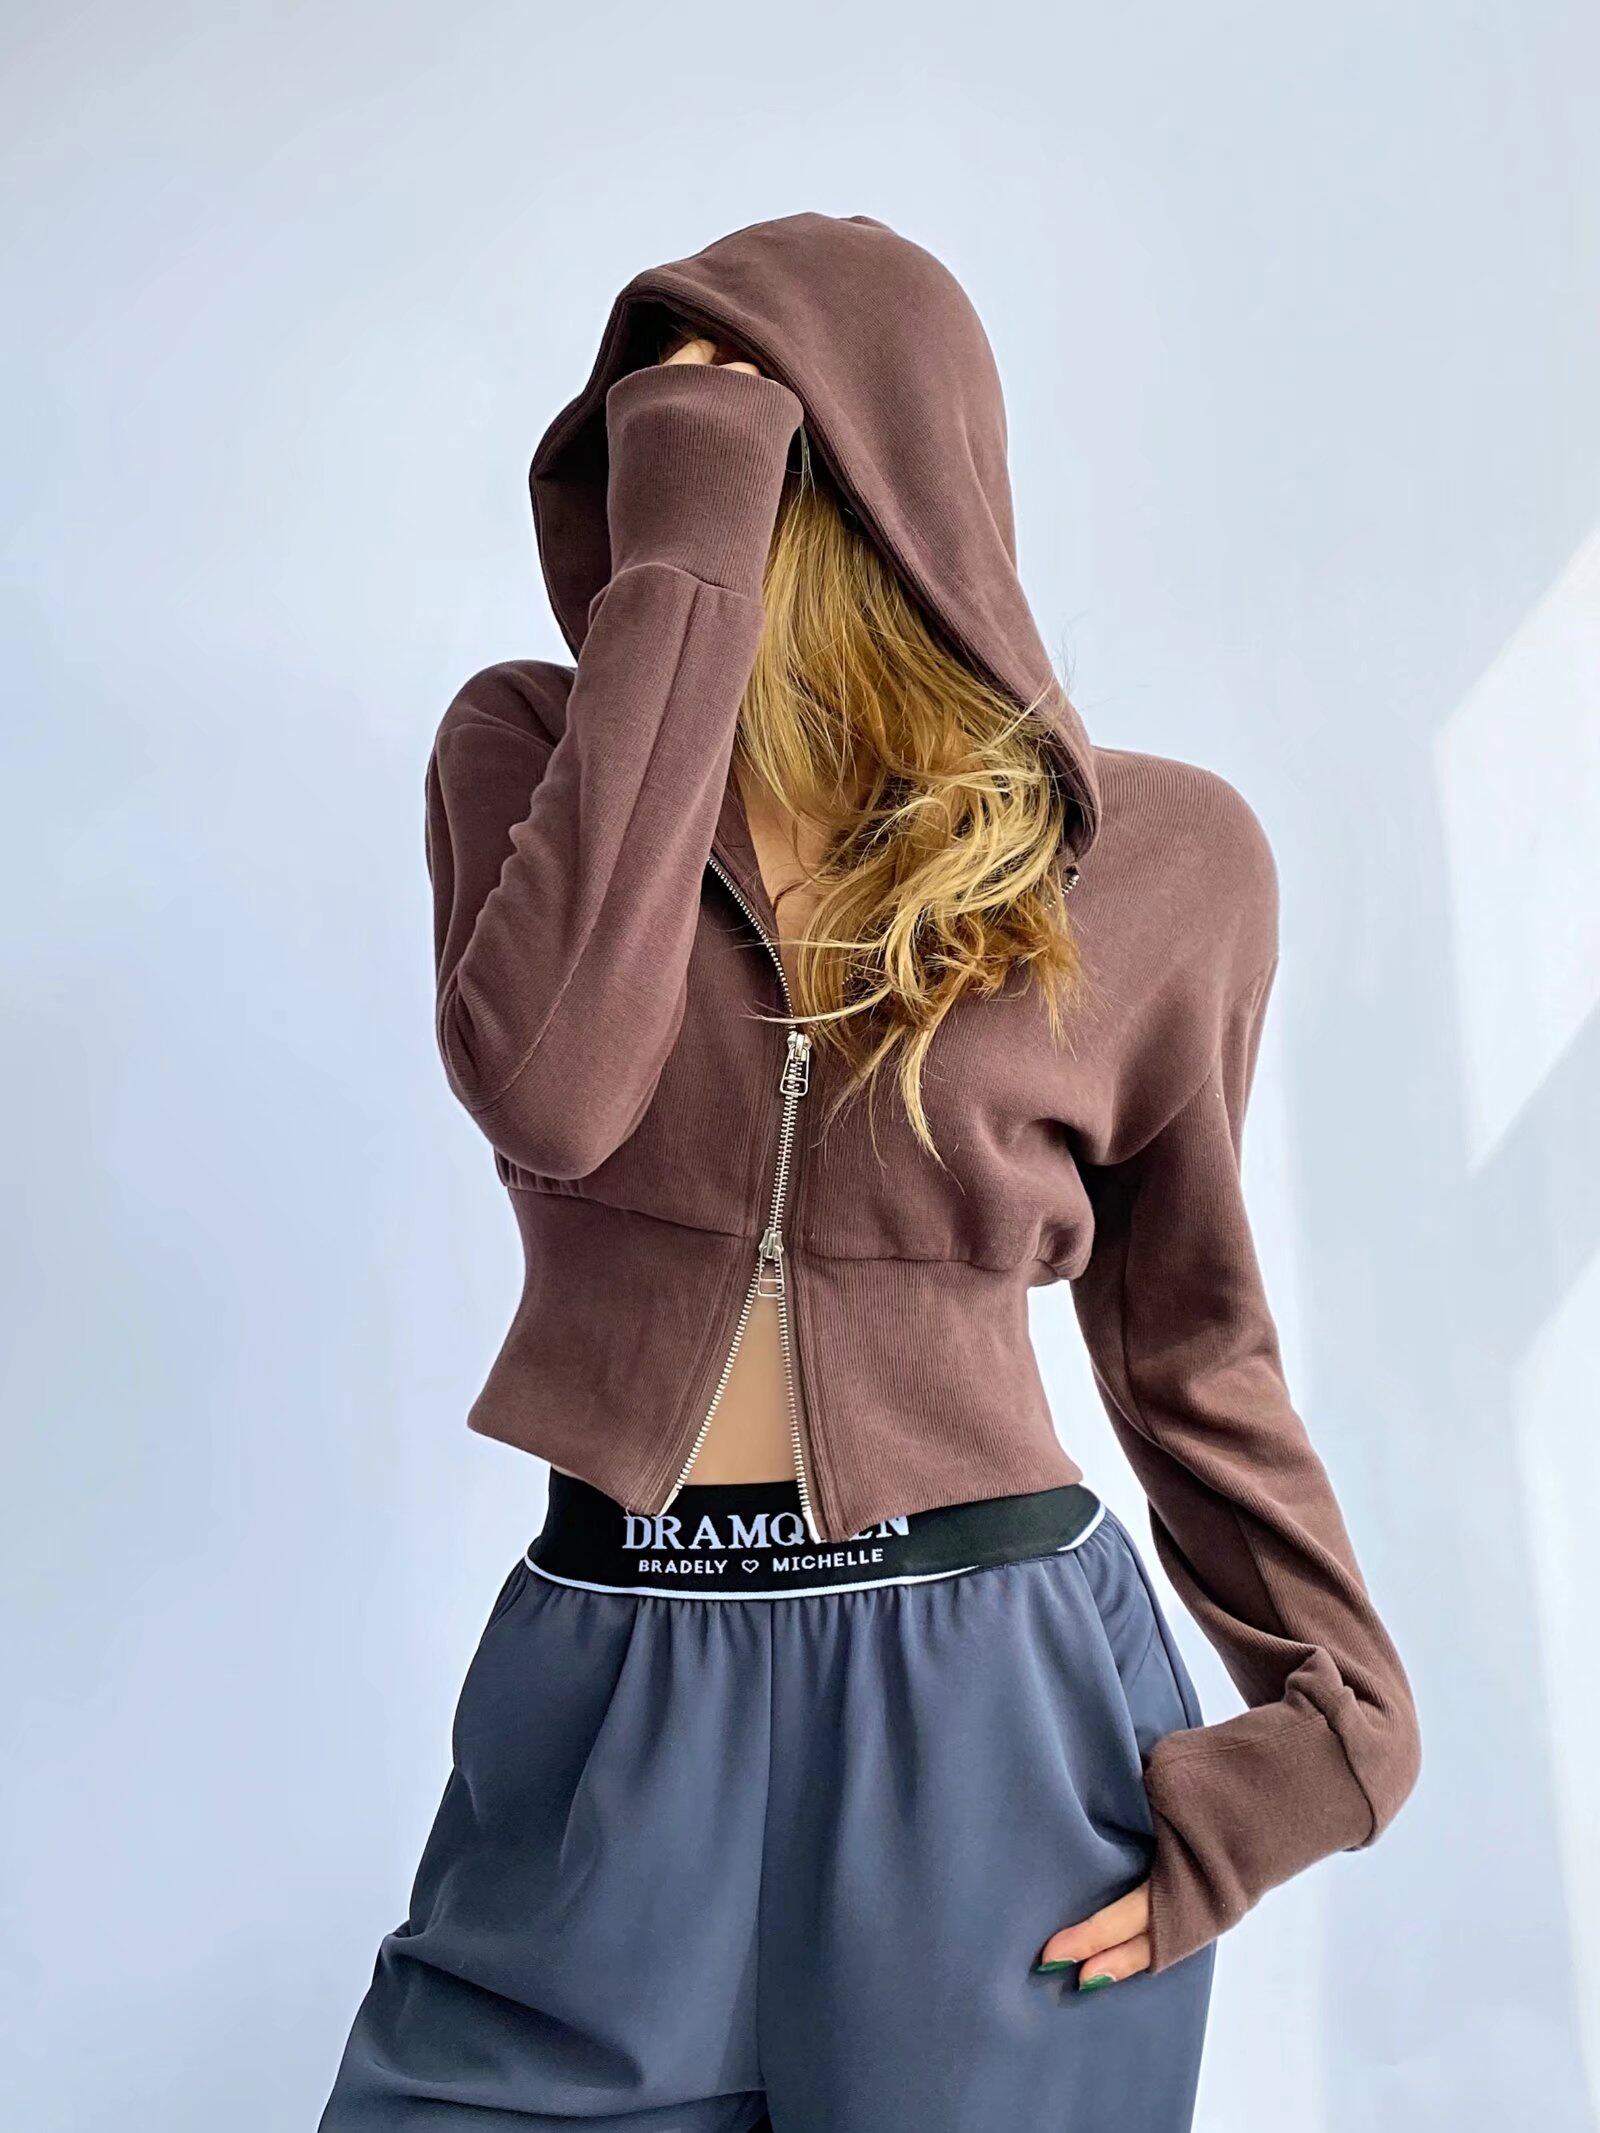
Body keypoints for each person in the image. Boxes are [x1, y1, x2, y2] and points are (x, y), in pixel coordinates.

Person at [318, 211, 1420, 2133]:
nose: (664, 461)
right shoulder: (524, 752)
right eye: (648, 432)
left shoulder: (1158, 861)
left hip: (986, 1707)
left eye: (728, 428)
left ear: (888, 477)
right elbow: (555, 1096)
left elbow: (1193, 1345)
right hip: (612, 1686)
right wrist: (682, 560)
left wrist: (1344, 1722)